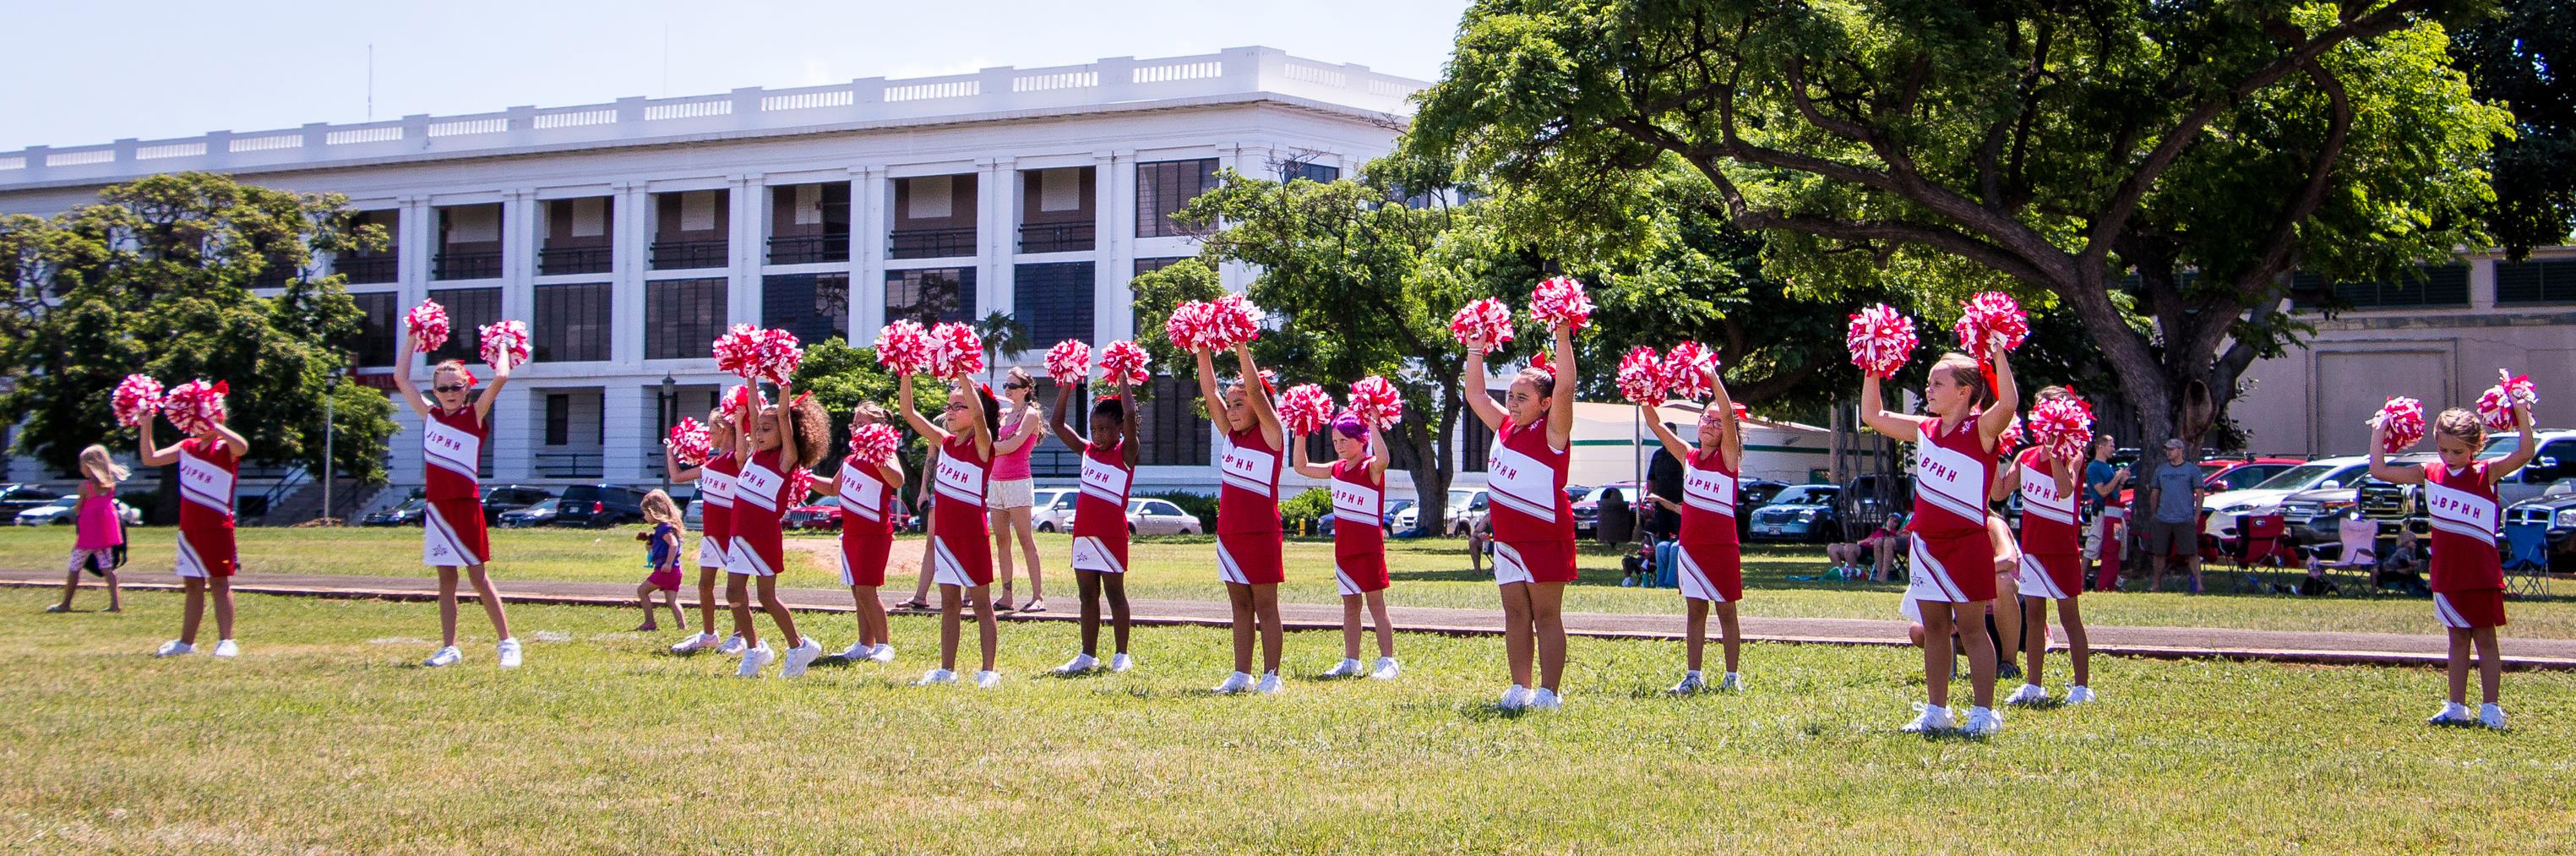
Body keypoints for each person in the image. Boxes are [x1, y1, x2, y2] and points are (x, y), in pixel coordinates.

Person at [1861, 339, 2017, 736]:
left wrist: (1997, 353)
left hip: (1967, 543)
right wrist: (1872, 365)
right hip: (1926, 545)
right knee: (1933, 627)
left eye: (1937, 384)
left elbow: (2010, 404)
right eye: (1929, 383)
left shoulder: (1981, 428)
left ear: (1964, 392)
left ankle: (1983, 714)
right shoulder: (1925, 429)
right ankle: (1936, 710)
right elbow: (1873, 415)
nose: (1928, 390)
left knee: (1971, 628)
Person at [2370, 401, 2535, 730]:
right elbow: (2379, 470)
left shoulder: (2486, 472)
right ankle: (2456, 706)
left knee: (2486, 639)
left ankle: (2491, 708)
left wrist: (2520, 413)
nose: (2450, 457)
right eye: (2444, 449)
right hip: (2446, 572)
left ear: (2476, 447)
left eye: (2458, 452)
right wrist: (2380, 430)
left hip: (2481, 572)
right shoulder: (2429, 473)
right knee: (2456, 640)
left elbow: (2524, 453)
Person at [1461, 319, 1580, 712]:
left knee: (1546, 615)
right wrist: (1474, 349)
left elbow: (1565, 387)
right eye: (1510, 395)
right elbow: (1476, 395)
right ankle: (1519, 687)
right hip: (1509, 539)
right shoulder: (1505, 428)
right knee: (1514, 613)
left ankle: (1549, 692)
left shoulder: (1553, 431)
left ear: (1544, 403)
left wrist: (1562, 335)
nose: (1512, 403)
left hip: (1546, 534)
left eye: (1522, 397)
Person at [393, 326, 521, 669]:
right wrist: (412, 336)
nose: (449, 393)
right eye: (443, 388)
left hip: (465, 503)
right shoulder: (430, 415)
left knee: (478, 577)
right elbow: (401, 378)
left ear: (467, 389)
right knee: (445, 580)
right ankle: (449, 647)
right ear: (434, 391)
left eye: (456, 386)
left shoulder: (473, 414)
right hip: (437, 507)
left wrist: (504, 345)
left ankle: (507, 642)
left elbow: (502, 376)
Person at [1642, 368, 1748, 695]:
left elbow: (1728, 414)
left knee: (1726, 610)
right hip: (1691, 547)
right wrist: (1642, 391)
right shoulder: (1688, 457)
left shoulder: (1728, 459)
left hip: (1721, 547)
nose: (1711, 425)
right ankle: (1693, 675)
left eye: (1717, 423)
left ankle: (1732, 677)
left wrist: (1711, 377)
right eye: (1706, 419)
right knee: (1695, 610)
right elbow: (1656, 426)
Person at [1193, 341, 1289, 695]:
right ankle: (1241, 674)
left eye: (1239, 405)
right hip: (1230, 533)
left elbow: (1254, 389)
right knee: (1240, 605)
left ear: (1259, 405)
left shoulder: (1272, 434)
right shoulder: (1230, 436)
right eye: (1230, 406)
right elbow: (1209, 391)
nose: (1232, 411)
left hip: (1262, 533)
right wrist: (1202, 350)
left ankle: (1272, 676)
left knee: (1266, 605)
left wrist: (1239, 344)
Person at [898, 369, 1005, 688]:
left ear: (975, 413)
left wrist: (962, 376)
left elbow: (980, 419)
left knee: (982, 605)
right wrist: (905, 372)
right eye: (949, 405)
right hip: (945, 537)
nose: (951, 411)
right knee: (949, 604)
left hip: (972, 536)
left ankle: (988, 671)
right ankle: (946, 670)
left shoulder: (983, 446)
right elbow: (909, 413)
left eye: (958, 406)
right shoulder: (944, 442)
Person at [722, 380, 831, 679]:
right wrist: (751, 375)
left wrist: (783, 382)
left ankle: (799, 646)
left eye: (766, 429)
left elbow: (782, 415)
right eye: (757, 429)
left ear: (785, 433)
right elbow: (756, 409)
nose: (759, 433)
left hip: (763, 537)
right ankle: (754, 648)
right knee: (733, 592)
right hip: (739, 534)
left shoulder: (785, 460)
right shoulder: (756, 454)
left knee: (766, 597)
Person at [2001, 387, 2094, 706]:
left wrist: (2056, 451)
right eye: (2039, 409)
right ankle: (2033, 684)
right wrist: (1988, 452)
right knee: (2036, 616)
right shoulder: (2025, 456)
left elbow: (2065, 489)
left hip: (2062, 549)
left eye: (2049, 410)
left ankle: (2082, 687)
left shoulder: (2075, 454)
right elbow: (1999, 492)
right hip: (2033, 550)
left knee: (2070, 618)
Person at [1291, 412, 1400, 681]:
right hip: (1344, 549)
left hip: (1369, 548)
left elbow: (1384, 459)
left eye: (1345, 440)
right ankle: (1351, 660)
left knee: (1376, 604)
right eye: (1336, 440)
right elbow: (1301, 467)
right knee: (1350, 606)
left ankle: (1388, 661)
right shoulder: (1336, 469)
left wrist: (1373, 424)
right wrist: (1301, 432)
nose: (1339, 446)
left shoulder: (1371, 467)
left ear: (1361, 440)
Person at [141, 390, 248, 658]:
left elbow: (242, 447)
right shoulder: (186, 447)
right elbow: (150, 459)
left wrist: (217, 425)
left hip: (217, 526)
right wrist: (146, 425)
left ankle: (226, 640)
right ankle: (186, 642)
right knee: (192, 585)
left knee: (219, 583)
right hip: (189, 528)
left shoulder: (224, 447)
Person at [1048, 372, 1140, 675]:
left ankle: (1121, 653)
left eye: (1104, 429)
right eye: (1094, 429)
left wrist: (1123, 377)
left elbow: (1129, 413)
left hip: (1111, 535)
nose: (1098, 435)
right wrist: (1065, 386)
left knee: (1115, 594)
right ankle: (1087, 655)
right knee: (1087, 594)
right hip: (1083, 535)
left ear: (1120, 431)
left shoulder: (1125, 454)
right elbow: (1057, 425)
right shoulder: (1087, 451)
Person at [667, 404, 753, 656]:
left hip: (733, 533)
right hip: (711, 533)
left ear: (723, 429)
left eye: (711, 427)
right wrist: (671, 451)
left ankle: (739, 636)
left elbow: (741, 454)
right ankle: (708, 634)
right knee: (705, 585)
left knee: (736, 587)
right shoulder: (711, 463)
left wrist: (738, 421)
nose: (707, 433)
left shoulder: (737, 459)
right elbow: (676, 477)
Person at [834, 402, 905, 663]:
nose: (855, 429)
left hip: (874, 532)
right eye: (854, 424)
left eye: (861, 424)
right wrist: (800, 476)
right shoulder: (850, 458)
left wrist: (877, 457)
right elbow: (833, 488)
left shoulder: (884, 453)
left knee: (867, 590)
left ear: (877, 427)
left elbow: (897, 480)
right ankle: (864, 642)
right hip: (851, 532)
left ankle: (884, 645)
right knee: (857, 590)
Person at [986, 368, 1048, 613]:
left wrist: (988, 448)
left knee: (1025, 540)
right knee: (1002, 540)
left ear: (1026, 390)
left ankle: (1037, 596)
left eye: (1013, 386)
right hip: (997, 480)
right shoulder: (1003, 415)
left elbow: (1013, 445)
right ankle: (1006, 595)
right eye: (1006, 385)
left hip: (1018, 481)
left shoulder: (1030, 414)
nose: (1008, 390)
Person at [52, 444, 129, 613]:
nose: (81, 469)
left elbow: (78, 509)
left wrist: (77, 509)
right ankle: (115, 604)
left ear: (89, 466)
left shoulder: (85, 487)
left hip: (88, 535)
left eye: (82, 465)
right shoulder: (110, 486)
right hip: (104, 535)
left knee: (74, 567)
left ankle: (65, 603)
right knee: (107, 568)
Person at [2138, 438, 2205, 592]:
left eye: (2172, 449)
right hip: (2163, 518)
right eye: (2167, 449)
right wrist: (2154, 513)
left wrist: (2196, 515)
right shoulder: (2161, 470)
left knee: (2191, 553)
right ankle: (2156, 585)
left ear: (2181, 450)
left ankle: (2199, 585)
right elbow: (2155, 493)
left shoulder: (2192, 470)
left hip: (2185, 518)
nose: (2169, 452)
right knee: (2159, 553)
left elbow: (2200, 493)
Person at [632, 491, 687, 632]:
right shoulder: (663, 529)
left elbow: (673, 545)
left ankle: (650, 622)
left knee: (642, 591)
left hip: (666, 569)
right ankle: (682, 627)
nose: (644, 517)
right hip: (675, 570)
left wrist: (668, 563)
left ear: (654, 511)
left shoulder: (664, 529)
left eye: (645, 513)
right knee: (671, 601)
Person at [2082, 434, 2130, 591]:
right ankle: (2081, 581)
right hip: (2102, 513)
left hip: (2114, 514)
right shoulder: (2094, 467)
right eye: (2111, 445)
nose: (2113, 449)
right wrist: (2117, 477)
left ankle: (2110, 579)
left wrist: (2122, 481)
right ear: (2100, 447)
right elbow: (2102, 491)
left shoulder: (2107, 467)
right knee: (2093, 545)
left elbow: (2114, 492)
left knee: (2114, 546)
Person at [1827, 512, 1909, 582]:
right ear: (1887, 520)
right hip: (1861, 547)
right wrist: (1863, 541)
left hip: (1871, 551)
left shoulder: (1894, 534)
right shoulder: (1880, 530)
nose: (1892, 522)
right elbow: (1866, 540)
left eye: (1895, 522)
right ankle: (1840, 574)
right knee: (1832, 547)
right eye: (1891, 519)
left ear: (1898, 526)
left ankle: (1853, 577)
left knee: (1849, 548)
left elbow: (1893, 541)